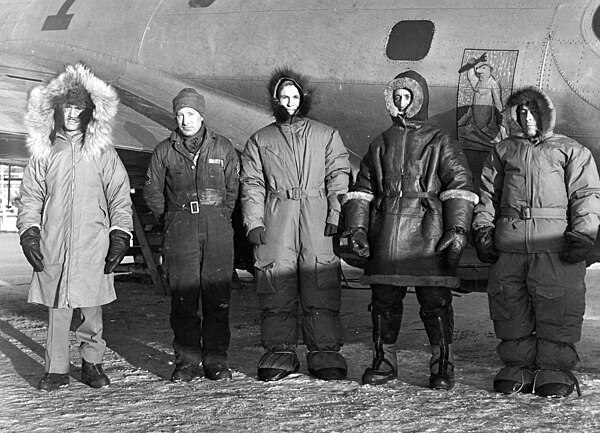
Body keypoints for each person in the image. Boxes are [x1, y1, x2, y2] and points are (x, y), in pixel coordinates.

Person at [342, 71, 478, 390]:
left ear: (420, 100)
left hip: (428, 231)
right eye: (398, 98)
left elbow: (460, 184)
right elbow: (363, 188)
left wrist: (457, 227)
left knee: (435, 301)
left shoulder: (441, 141)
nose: (403, 104)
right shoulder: (382, 142)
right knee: (384, 301)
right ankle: (383, 360)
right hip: (389, 229)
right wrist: (358, 228)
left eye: (408, 97)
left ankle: (442, 362)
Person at [472, 87, 600, 398]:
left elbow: (586, 196)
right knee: (510, 307)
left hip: (554, 246)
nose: (526, 118)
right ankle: (517, 367)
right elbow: (488, 194)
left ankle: (554, 370)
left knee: (556, 308)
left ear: (545, 115)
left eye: (532, 112)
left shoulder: (571, 151)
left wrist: (583, 234)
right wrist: (483, 228)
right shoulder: (503, 151)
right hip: (511, 244)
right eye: (521, 113)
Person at [17, 63, 133, 391]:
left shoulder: (102, 151)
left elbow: (119, 197)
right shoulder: (45, 149)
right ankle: (56, 368)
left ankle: (92, 364)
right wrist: (29, 231)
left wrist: (120, 234)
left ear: (88, 112)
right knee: (58, 306)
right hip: (55, 240)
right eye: (67, 107)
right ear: (59, 110)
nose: (71, 114)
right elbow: (31, 196)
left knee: (92, 307)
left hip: (91, 243)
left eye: (78, 108)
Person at [240, 68, 351, 381]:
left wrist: (334, 214)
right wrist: (254, 222)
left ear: (303, 98)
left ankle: (325, 351)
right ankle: (279, 352)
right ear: (276, 100)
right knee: (276, 279)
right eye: (284, 97)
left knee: (321, 279)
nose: (290, 102)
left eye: (294, 96)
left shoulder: (326, 134)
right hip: (278, 213)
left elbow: (338, 175)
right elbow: (251, 183)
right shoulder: (260, 139)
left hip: (315, 213)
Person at [144, 88, 239, 382]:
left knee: (217, 297)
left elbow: (233, 190)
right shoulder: (164, 150)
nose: (186, 120)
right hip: (180, 227)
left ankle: (216, 361)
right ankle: (186, 362)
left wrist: (219, 214)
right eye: (180, 114)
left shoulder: (223, 148)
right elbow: (152, 190)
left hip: (217, 227)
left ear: (202, 116)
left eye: (191, 114)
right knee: (183, 299)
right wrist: (171, 218)